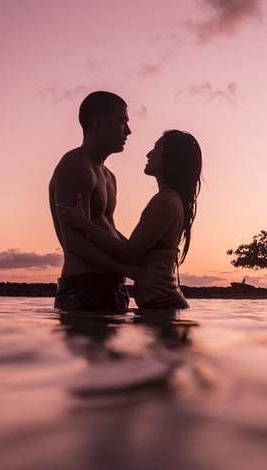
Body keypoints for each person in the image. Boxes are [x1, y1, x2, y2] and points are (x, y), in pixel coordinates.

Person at [50, 91, 175, 312]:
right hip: (83, 288)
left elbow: (108, 230)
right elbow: (74, 244)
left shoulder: (108, 176)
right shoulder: (75, 166)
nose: (128, 130)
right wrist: (135, 274)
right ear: (97, 122)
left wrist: (142, 257)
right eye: (121, 121)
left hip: (114, 287)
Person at [56, 129, 201, 310]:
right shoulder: (170, 199)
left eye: (158, 147)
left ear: (173, 157)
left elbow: (128, 252)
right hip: (161, 302)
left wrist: (84, 224)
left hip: (161, 303)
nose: (149, 153)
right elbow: (135, 247)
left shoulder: (166, 201)